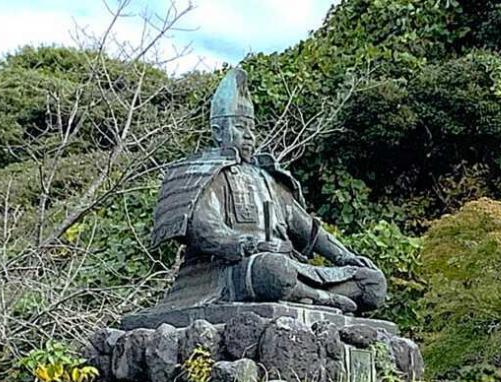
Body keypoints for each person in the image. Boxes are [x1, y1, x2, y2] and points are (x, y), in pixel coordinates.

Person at [151, 68, 386, 313]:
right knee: (272, 272)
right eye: (240, 127)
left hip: (291, 266)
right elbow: (203, 228)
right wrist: (244, 244)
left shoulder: (269, 179)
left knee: (372, 282)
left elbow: (309, 230)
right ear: (218, 132)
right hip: (231, 269)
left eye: (251, 128)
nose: (249, 135)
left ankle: (310, 295)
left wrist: (344, 256)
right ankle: (322, 298)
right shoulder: (205, 174)